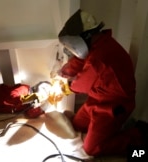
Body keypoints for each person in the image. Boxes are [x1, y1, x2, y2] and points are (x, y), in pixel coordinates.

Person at [56, 9, 148, 157]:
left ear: (83, 37)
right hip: (97, 100)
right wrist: (65, 71)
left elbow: (80, 85)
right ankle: (106, 132)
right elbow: (81, 60)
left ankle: (137, 137)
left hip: (113, 107)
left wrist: (65, 86)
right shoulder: (100, 43)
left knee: (91, 149)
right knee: (76, 126)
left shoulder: (100, 60)